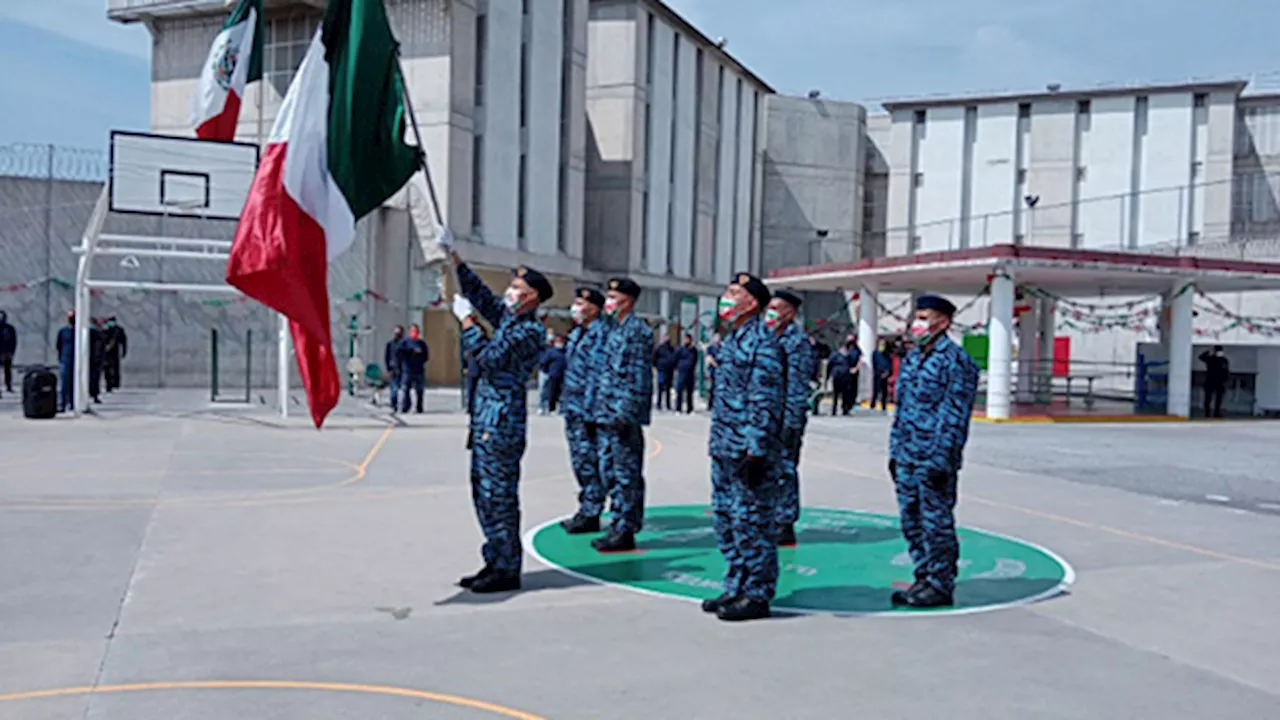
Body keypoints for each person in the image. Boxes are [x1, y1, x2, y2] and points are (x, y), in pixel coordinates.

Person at [444, 229, 550, 594]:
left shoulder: (529, 332)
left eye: (520, 289)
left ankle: (507, 568)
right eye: (513, 286)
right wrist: (456, 260)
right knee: (484, 495)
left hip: (502, 424)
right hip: (486, 421)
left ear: (533, 298)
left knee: (500, 497)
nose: (511, 293)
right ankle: (495, 559)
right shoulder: (510, 321)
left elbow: (488, 359)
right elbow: (483, 298)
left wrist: (468, 323)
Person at [888, 294, 980, 609]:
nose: (918, 323)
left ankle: (940, 583)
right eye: (918, 316)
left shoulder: (956, 361)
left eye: (925, 317)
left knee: (935, 522)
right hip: (907, 455)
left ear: (943, 322)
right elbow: (902, 410)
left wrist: (942, 459)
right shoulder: (914, 358)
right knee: (911, 520)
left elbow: (954, 416)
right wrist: (894, 452)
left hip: (933, 458)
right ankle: (923, 576)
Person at [703, 272, 785, 622]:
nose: (726, 297)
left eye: (734, 293)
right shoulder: (733, 341)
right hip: (725, 445)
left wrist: (756, 448)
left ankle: (757, 593)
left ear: (751, 303)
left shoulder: (763, 344)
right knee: (726, 519)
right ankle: (736, 584)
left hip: (747, 450)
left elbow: (764, 401)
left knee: (752, 521)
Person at [589, 277, 655, 553]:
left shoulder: (636, 331)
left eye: (614, 295)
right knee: (611, 471)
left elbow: (638, 377)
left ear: (627, 300)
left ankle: (626, 528)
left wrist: (625, 413)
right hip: (607, 414)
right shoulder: (615, 330)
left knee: (626, 474)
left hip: (622, 417)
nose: (609, 300)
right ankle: (618, 523)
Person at [764, 290, 814, 547]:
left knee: (784, 469)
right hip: (767, 416)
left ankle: (784, 522)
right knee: (768, 470)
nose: (770, 312)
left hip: (785, 418)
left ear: (790, 313)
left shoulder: (797, 341)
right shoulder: (768, 337)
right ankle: (772, 515)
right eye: (769, 307)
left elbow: (797, 384)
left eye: (777, 308)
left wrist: (791, 422)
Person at [559, 287, 609, 533]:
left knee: (592, 461)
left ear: (594, 309)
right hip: (573, 408)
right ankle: (587, 508)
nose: (576, 307)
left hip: (588, 410)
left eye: (581, 303)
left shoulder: (600, 334)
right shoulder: (578, 333)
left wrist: (592, 411)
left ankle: (592, 511)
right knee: (581, 461)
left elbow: (597, 374)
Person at [396, 324, 429, 414]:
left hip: (419, 370)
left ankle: (419, 407)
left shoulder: (422, 344)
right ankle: (405, 406)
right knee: (405, 389)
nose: (415, 333)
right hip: (407, 370)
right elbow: (399, 353)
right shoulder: (405, 343)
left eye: (416, 331)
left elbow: (426, 356)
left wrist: (419, 355)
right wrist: (410, 352)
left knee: (419, 390)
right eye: (413, 331)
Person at [1198, 345, 1230, 418]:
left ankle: (1216, 412)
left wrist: (1226, 380)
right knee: (1208, 398)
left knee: (1218, 399)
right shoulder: (1211, 359)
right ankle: (1208, 413)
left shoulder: (1223, 360)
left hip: (1219, 381)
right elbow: (1201, 357)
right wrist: (1209, 352)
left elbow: (1226, 371)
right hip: (1211, 380)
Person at [538, 334, 567, 414]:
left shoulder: (565, 352)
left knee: (560, 393)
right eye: (558, 341)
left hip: (562, 375)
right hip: (551, 374)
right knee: (548, 392)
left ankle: (559, 408)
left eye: (561, 341)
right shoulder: (551, 352)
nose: (560, 343)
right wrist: (545, 372)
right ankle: (546, 408)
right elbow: (544, 362)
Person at [826, 342, 856, 415]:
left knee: (845, 394)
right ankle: (834, 410)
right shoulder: (835, 355)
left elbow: (851, 364)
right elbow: (829, 365)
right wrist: (828, 376)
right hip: (837, 376)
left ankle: (845, 409)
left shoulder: (848, 355)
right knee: (836, 394)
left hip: (846, 377)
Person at [674, 333, 699, 414]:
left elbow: (695, 360)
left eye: (688, 339)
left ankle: (690, 409)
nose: (686, 341)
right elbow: (675, 359)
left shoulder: (693, 350)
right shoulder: (680, 349)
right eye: (685, 339)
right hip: (681, 373)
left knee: (689, 392)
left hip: (690, 373)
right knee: (679, 391)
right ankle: (678, 409)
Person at [55, 313, 75, 412]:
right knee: (64, 383)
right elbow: (58, 345)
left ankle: (73, 403)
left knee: (74, 383)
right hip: (65, 358)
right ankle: (62, 403)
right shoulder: (63, 331)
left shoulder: (79, 331)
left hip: (76, 359)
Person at [102, 317, 127, 393]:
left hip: (115, 352)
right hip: (106, 352)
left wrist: (124, 352)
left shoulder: (118, 330)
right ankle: (109, 385)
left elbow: (123, 341)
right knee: (107, 369)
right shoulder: (105, 329)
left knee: (115, 368)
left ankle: (115, 383)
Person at [653, 336, 676, 410]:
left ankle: (668, 404)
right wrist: (657, 366)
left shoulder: (671, 349)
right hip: (661, 370)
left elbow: (674, 358)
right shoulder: (660, 348)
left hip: (670, 371)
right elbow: (654, 358)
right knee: (660, 387)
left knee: (668, 388)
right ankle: (659, 404)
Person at [384, 325, 404, 411]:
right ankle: (394, 404)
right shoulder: (390, 344)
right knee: (394, 389)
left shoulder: (404, 343)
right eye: (396, 332)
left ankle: (404, 405)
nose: (397, 334)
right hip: (393, 368)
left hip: (403, 369)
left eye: (399, 333)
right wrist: (388, 368)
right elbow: (387, 356)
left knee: (404, 389)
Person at [871, 339, 893, 411]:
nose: (882, 346)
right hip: (878, 373)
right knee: (876, 390)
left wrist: (887, 372)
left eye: (883, 344)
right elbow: (874, 364)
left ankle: (883, 406)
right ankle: (873, 405)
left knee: (884, 391)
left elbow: (890, 364)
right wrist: (878, 372)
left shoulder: (887, 354)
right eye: (881, 344)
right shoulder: (875, 353)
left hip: (885, 374)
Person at [88, 318, 104, 404]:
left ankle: (93, 394)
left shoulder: (91, 334)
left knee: (93, 378)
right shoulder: (98, 335)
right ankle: (94, 394)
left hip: (93, 359)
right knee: (94, 378)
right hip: (95, 359)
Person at [0, 310, 16, 393]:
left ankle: (8, 386)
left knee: (8, 371)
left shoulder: (10, 328)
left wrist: (12, 352)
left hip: (7, 353)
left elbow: (14, 340)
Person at [704, 333, 722, 408]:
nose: (717, 339)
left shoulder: (722, 347)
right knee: (712, 388)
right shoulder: (710, 348)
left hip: (721, 371)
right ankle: (710, 404)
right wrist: (716, 364)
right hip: (713, 371)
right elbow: (709, 357)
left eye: (719, 337)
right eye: (716, 337)